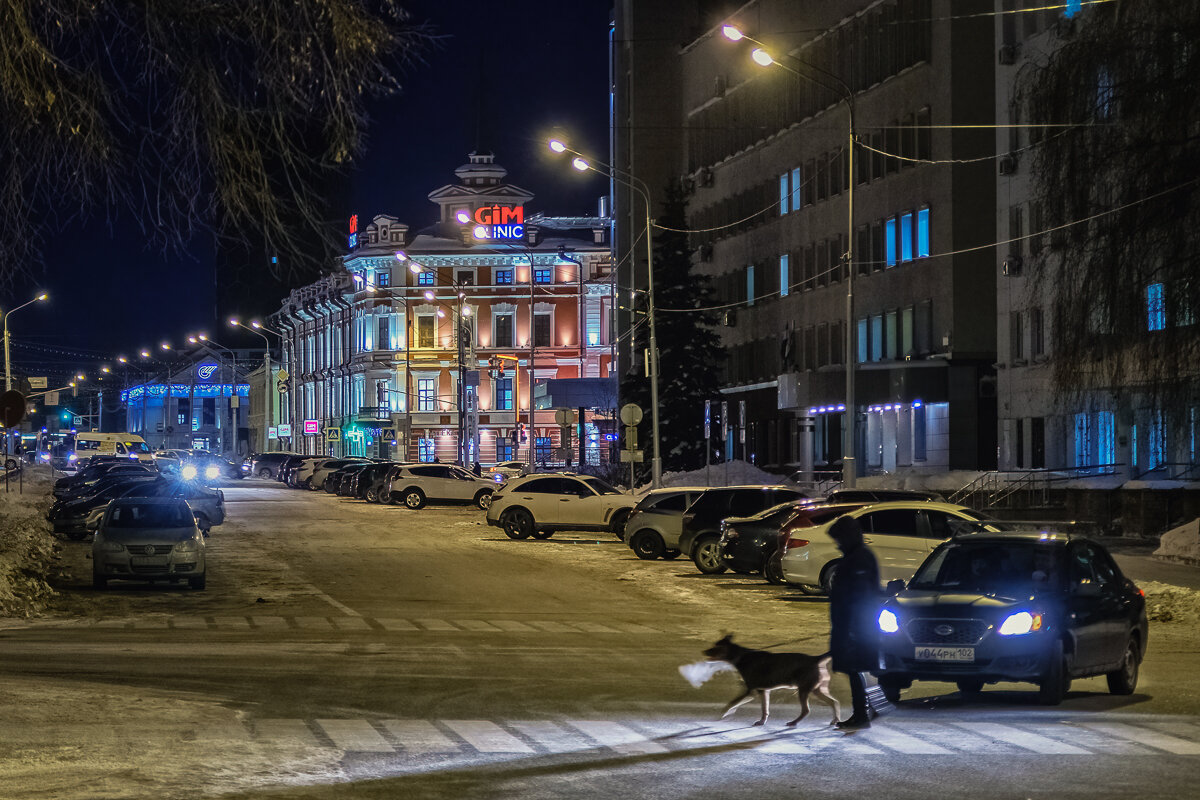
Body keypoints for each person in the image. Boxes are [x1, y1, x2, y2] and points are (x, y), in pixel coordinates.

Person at [827, 515, 881, 731]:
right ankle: (868, 709)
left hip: (855, 627)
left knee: (856, 669)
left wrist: (851, 630)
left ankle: (862, 713)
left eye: (839, 539)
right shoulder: (858, 556)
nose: (837, 544)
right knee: (859, 669)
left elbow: (859, 596)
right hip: (853, 625)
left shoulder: (858, 559)